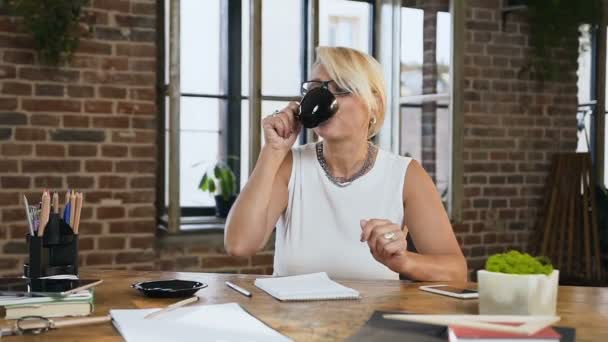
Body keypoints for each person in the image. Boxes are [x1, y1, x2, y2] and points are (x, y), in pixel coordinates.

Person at [225, 46, 467, 282]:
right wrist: (272, 151)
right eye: (316, 88)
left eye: (341, 88)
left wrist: (403, 262)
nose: (324, 97)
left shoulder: (405, 175)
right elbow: (239, 245)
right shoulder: (289, 165)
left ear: (374, 105)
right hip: (291, 320)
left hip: (372, 321)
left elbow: (456, 272)